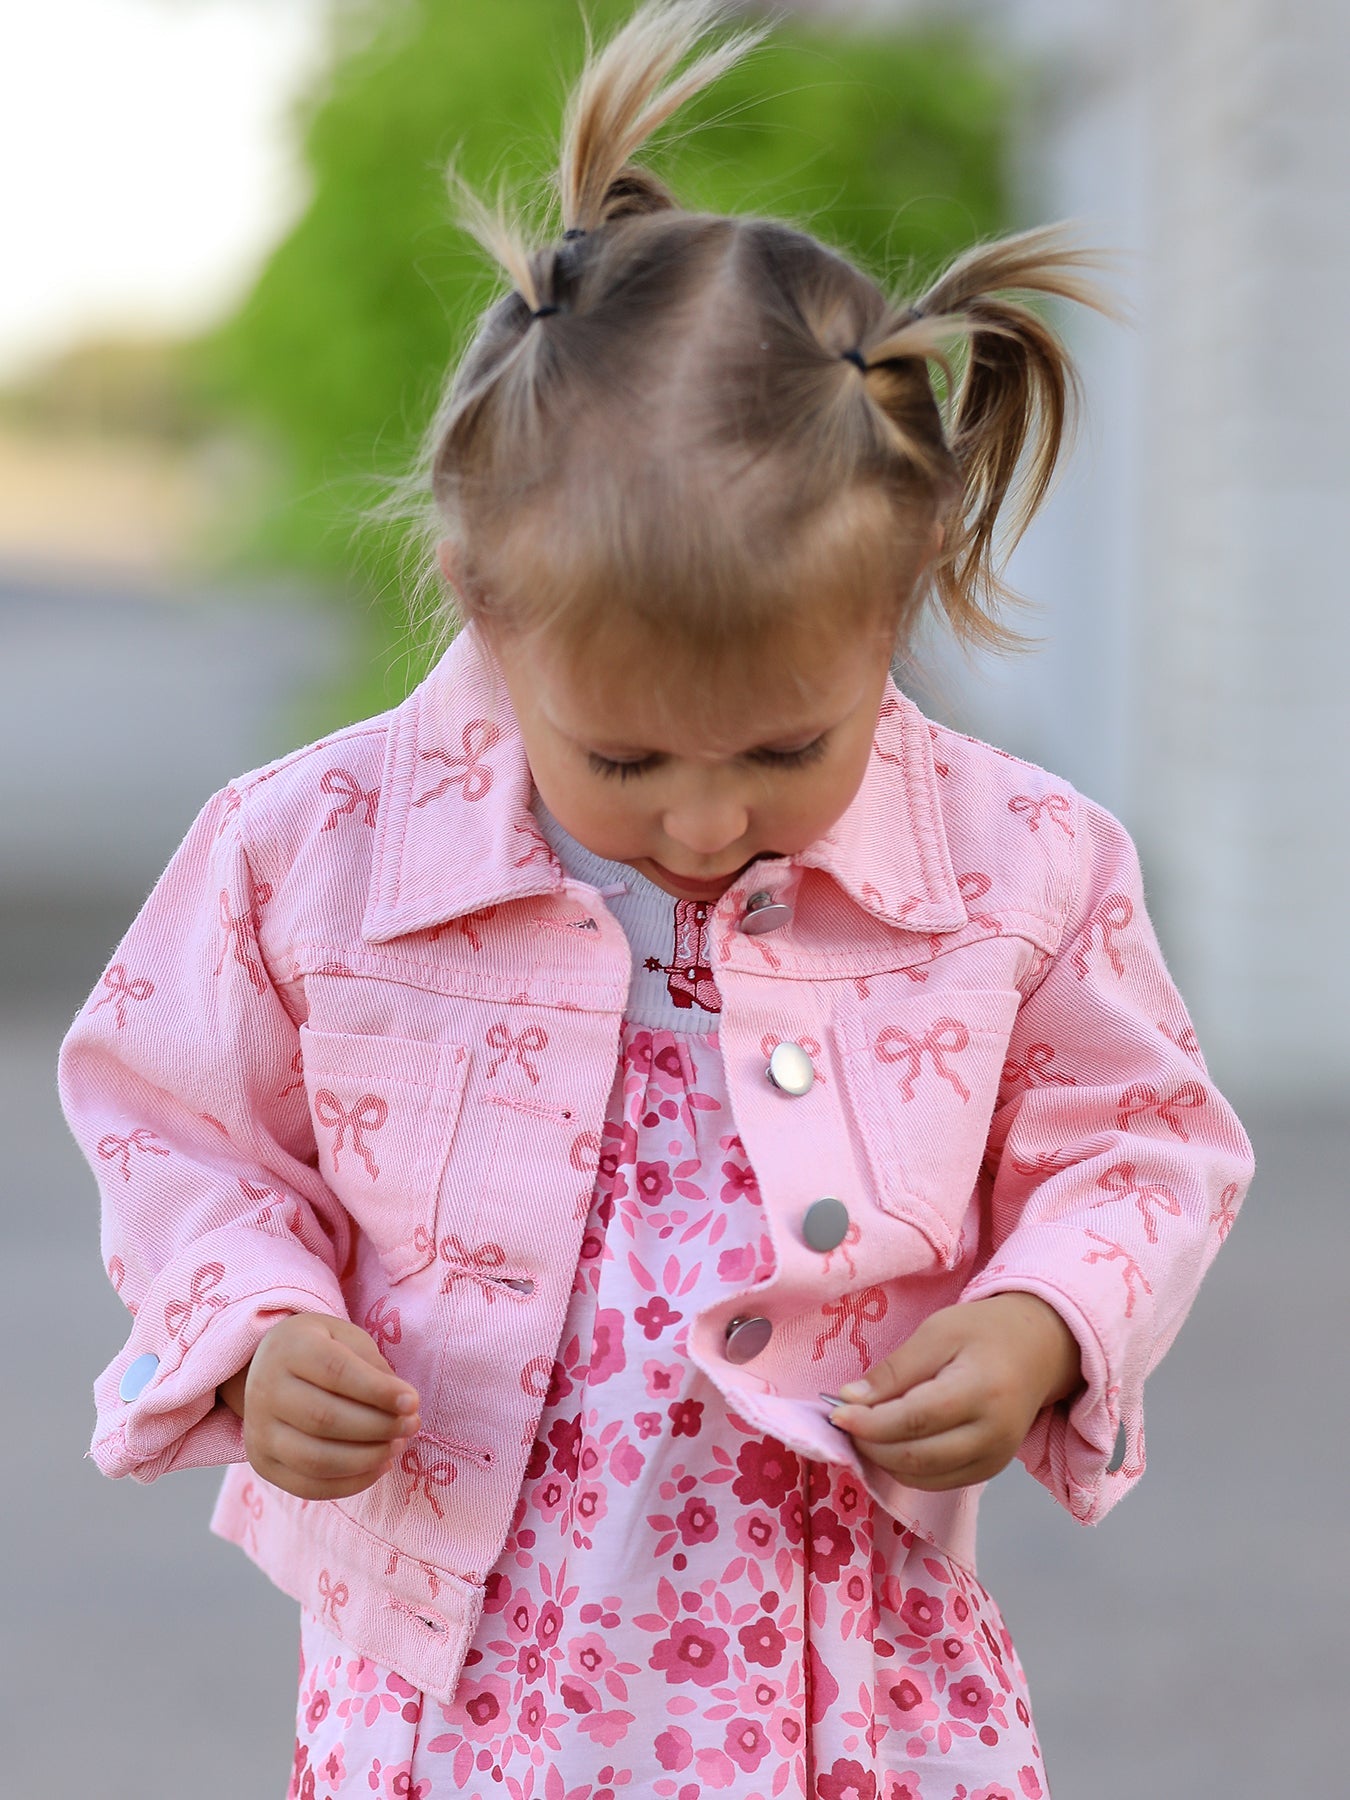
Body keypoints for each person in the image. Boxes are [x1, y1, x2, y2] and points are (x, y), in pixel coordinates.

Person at [58, 3, 1254, 1795]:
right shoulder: (309, 854)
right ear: (477, 593)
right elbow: (178, 1125)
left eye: (784, 750)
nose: (705, 822)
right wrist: (256, 1328)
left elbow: (1137, 1140)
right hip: (463, 1661)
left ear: (899, 600)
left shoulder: (1017, 864)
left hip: (838, 1646)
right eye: (623, 763)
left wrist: (1041, 1320)